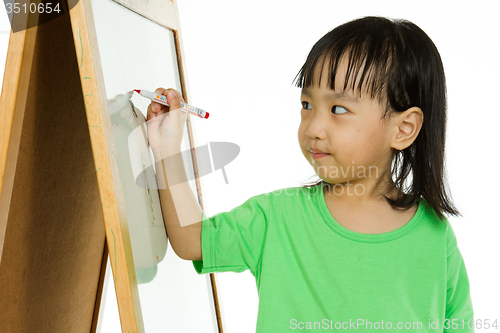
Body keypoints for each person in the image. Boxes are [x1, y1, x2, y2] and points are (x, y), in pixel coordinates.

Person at [146, 16, 474, 333]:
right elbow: (191, 239)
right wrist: (165, 150)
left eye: (338, 109)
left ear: (403, 128)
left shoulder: (436, 237)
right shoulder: (276, 218)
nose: (314, 128)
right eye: (307, 105)